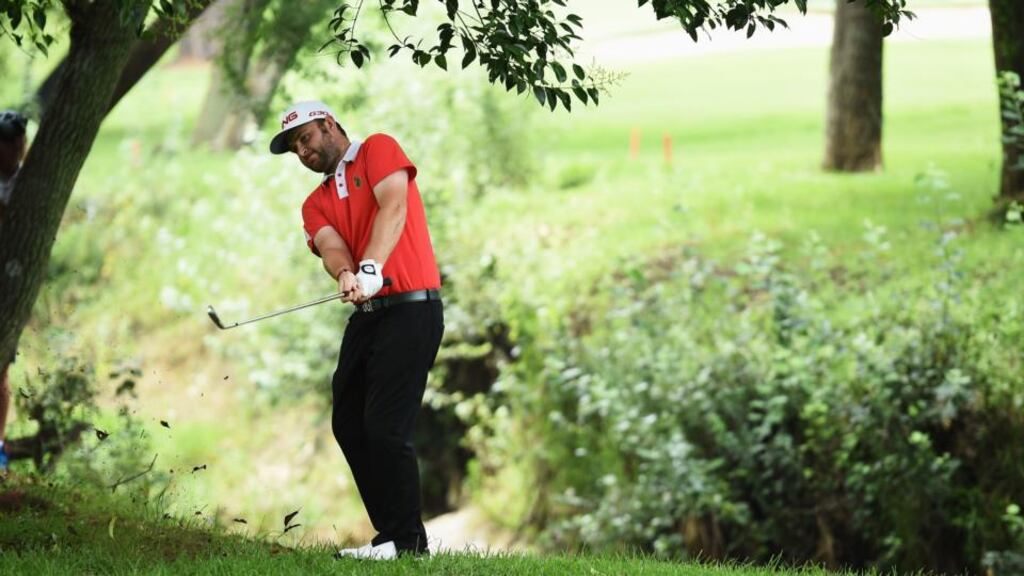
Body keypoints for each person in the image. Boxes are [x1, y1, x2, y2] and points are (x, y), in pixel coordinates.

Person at [270, 101, 444, 560]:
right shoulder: (315, 203)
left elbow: (394, 206)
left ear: (329, 125)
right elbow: (330, 246)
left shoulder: (378, 150)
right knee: (349, 423)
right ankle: (393, 535)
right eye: (295, 149)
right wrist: (347, 274)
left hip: (412, 308)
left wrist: (371, 266)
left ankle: (407, 544)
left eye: (305, 138)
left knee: (386, 427)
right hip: (369, 316)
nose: (303, 152)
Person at [0, 108, 28, 476]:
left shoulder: (32, 179)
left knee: (1, 369)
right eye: (8, 144)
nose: (16, 150)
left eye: (20, 142)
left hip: (9, 287)